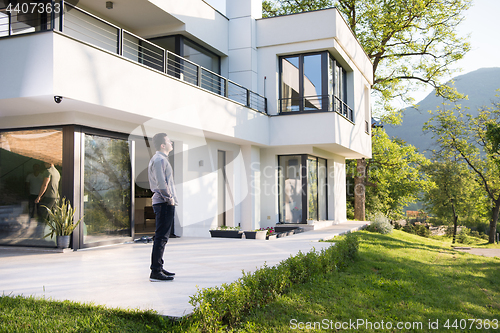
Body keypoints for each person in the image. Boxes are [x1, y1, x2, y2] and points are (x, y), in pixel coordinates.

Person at [148, 133, 178, 282]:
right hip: (163, 202)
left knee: (162, 238)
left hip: (162, 202)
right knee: (161, 238)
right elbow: (161, 184)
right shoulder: (160, 159)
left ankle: (158, 267)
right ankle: (155, 271)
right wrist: (170, 199)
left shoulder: (160, 159)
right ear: (162, 145)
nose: (171, 142)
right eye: (168, 141)